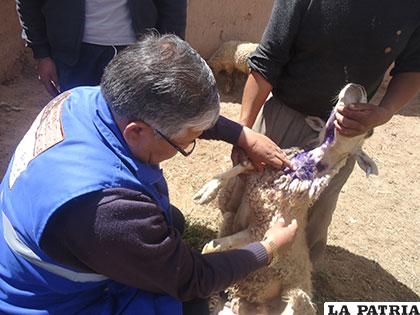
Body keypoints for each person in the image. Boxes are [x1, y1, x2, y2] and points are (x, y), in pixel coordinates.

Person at [0, 34, 298, 315]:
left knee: (173, 221)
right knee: (189, 301)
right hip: (52, 302)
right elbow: (192, 279)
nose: (188, 145)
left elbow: (172, 113)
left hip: (37, 255)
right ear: (137, 132)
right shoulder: (109, 210)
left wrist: (242, 135)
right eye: (185, 144)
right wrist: (267, 247)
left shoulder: (84, 99)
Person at [234, 0, 420, 263]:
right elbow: (268, 58)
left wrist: (385, 111)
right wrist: (244, 131)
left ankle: (297, 285)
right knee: (257, 209)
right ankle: (237, 277)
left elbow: (413, 67)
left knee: (313, 219)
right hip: (284, 122)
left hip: (344, 137)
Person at [16, 0, 187, 96]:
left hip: (138, 54)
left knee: (137, 130)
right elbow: (28, 3)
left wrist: (169, 51)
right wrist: (41, 53)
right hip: (73, 57)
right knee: (79, 128)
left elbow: (173, 5)